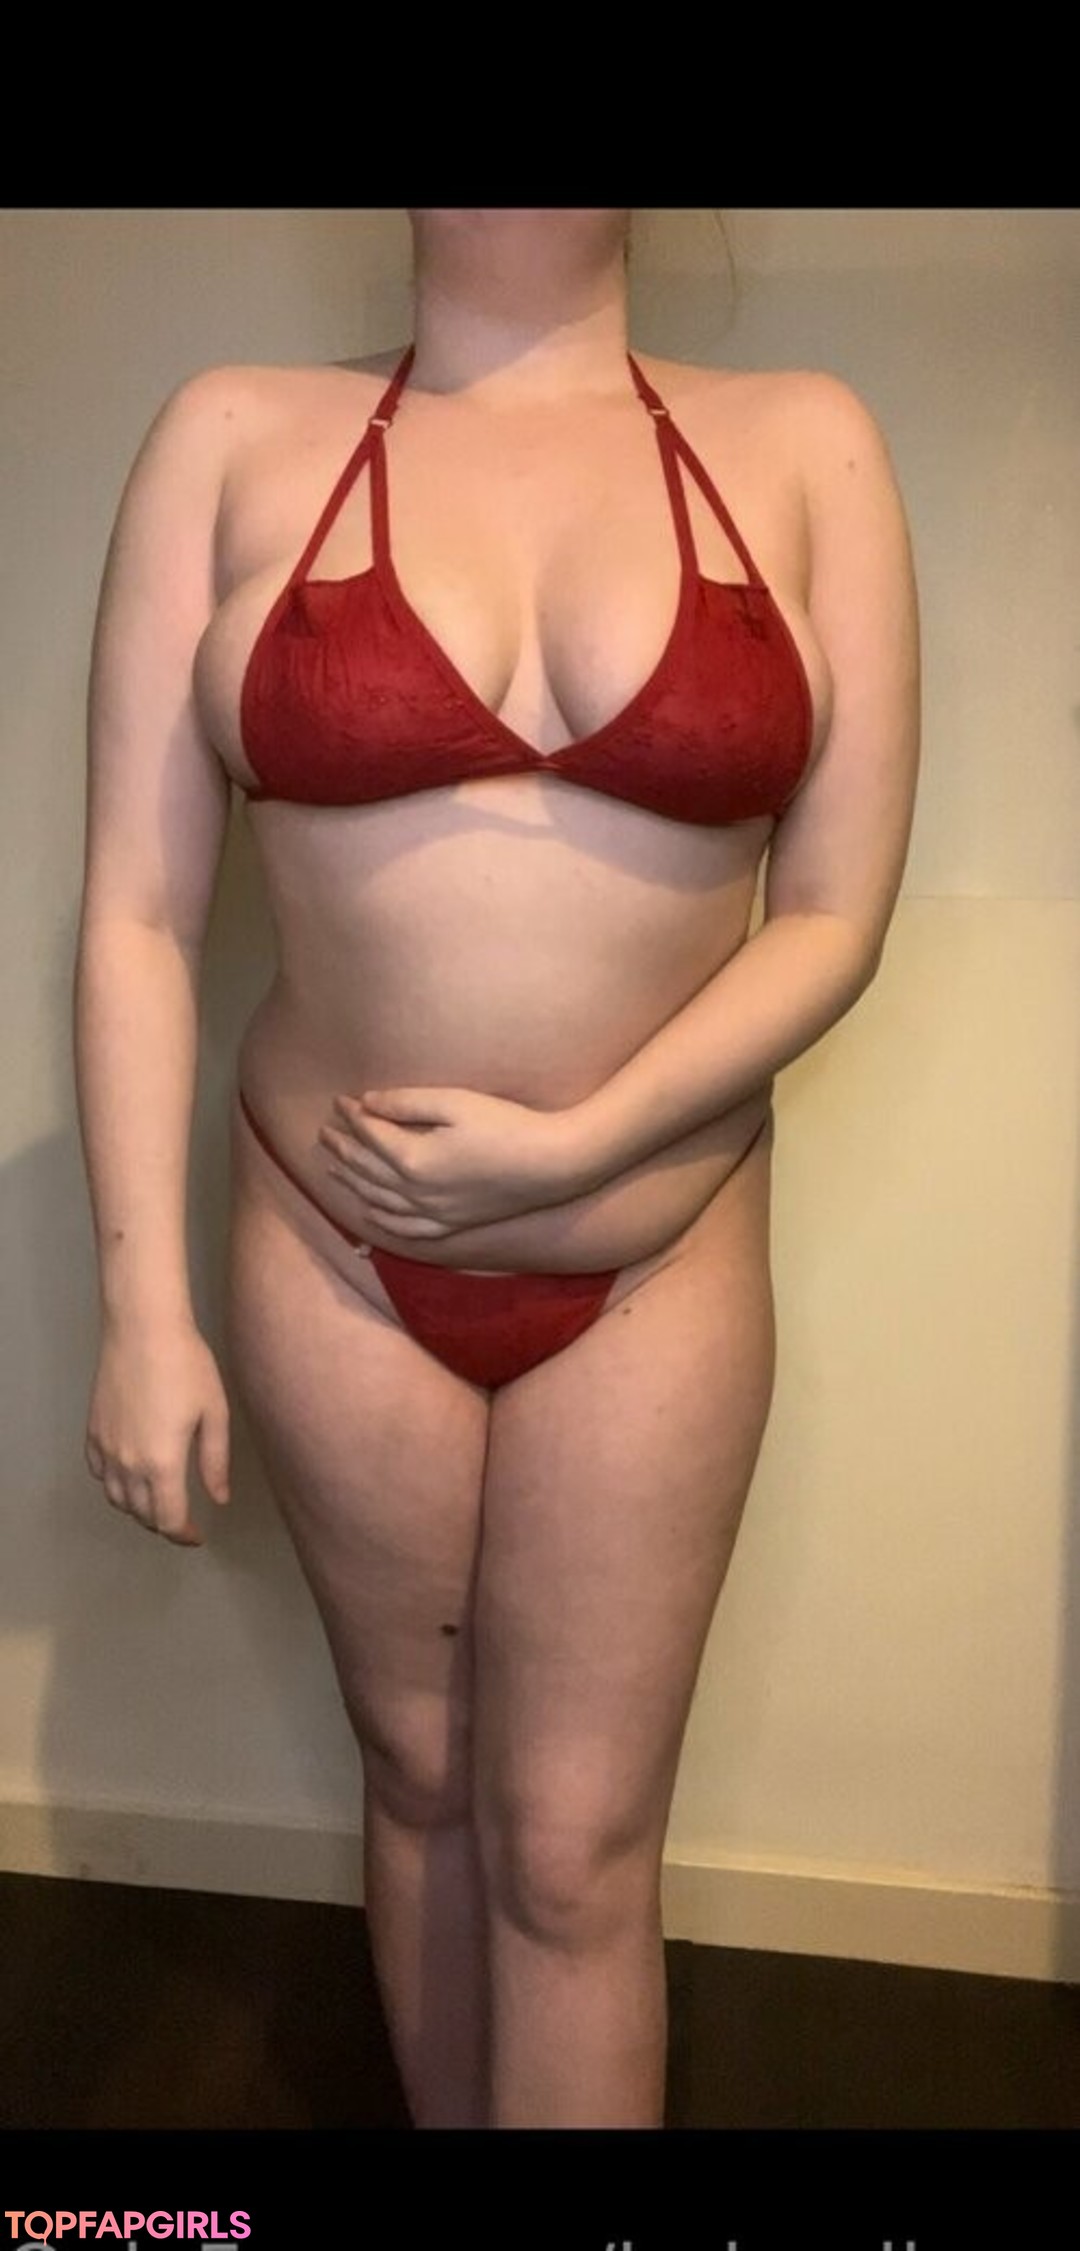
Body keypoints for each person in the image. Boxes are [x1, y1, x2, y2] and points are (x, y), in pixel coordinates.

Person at [74, 208, 920, 2130]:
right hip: (332, 1246)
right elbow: (135, 912)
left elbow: (836, 914)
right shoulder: (231, 435)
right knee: (423, 1782)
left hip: (657, 1255)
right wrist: (142, 1311)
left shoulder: (807, 443)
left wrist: (583, 1142)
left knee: (574, 1846)